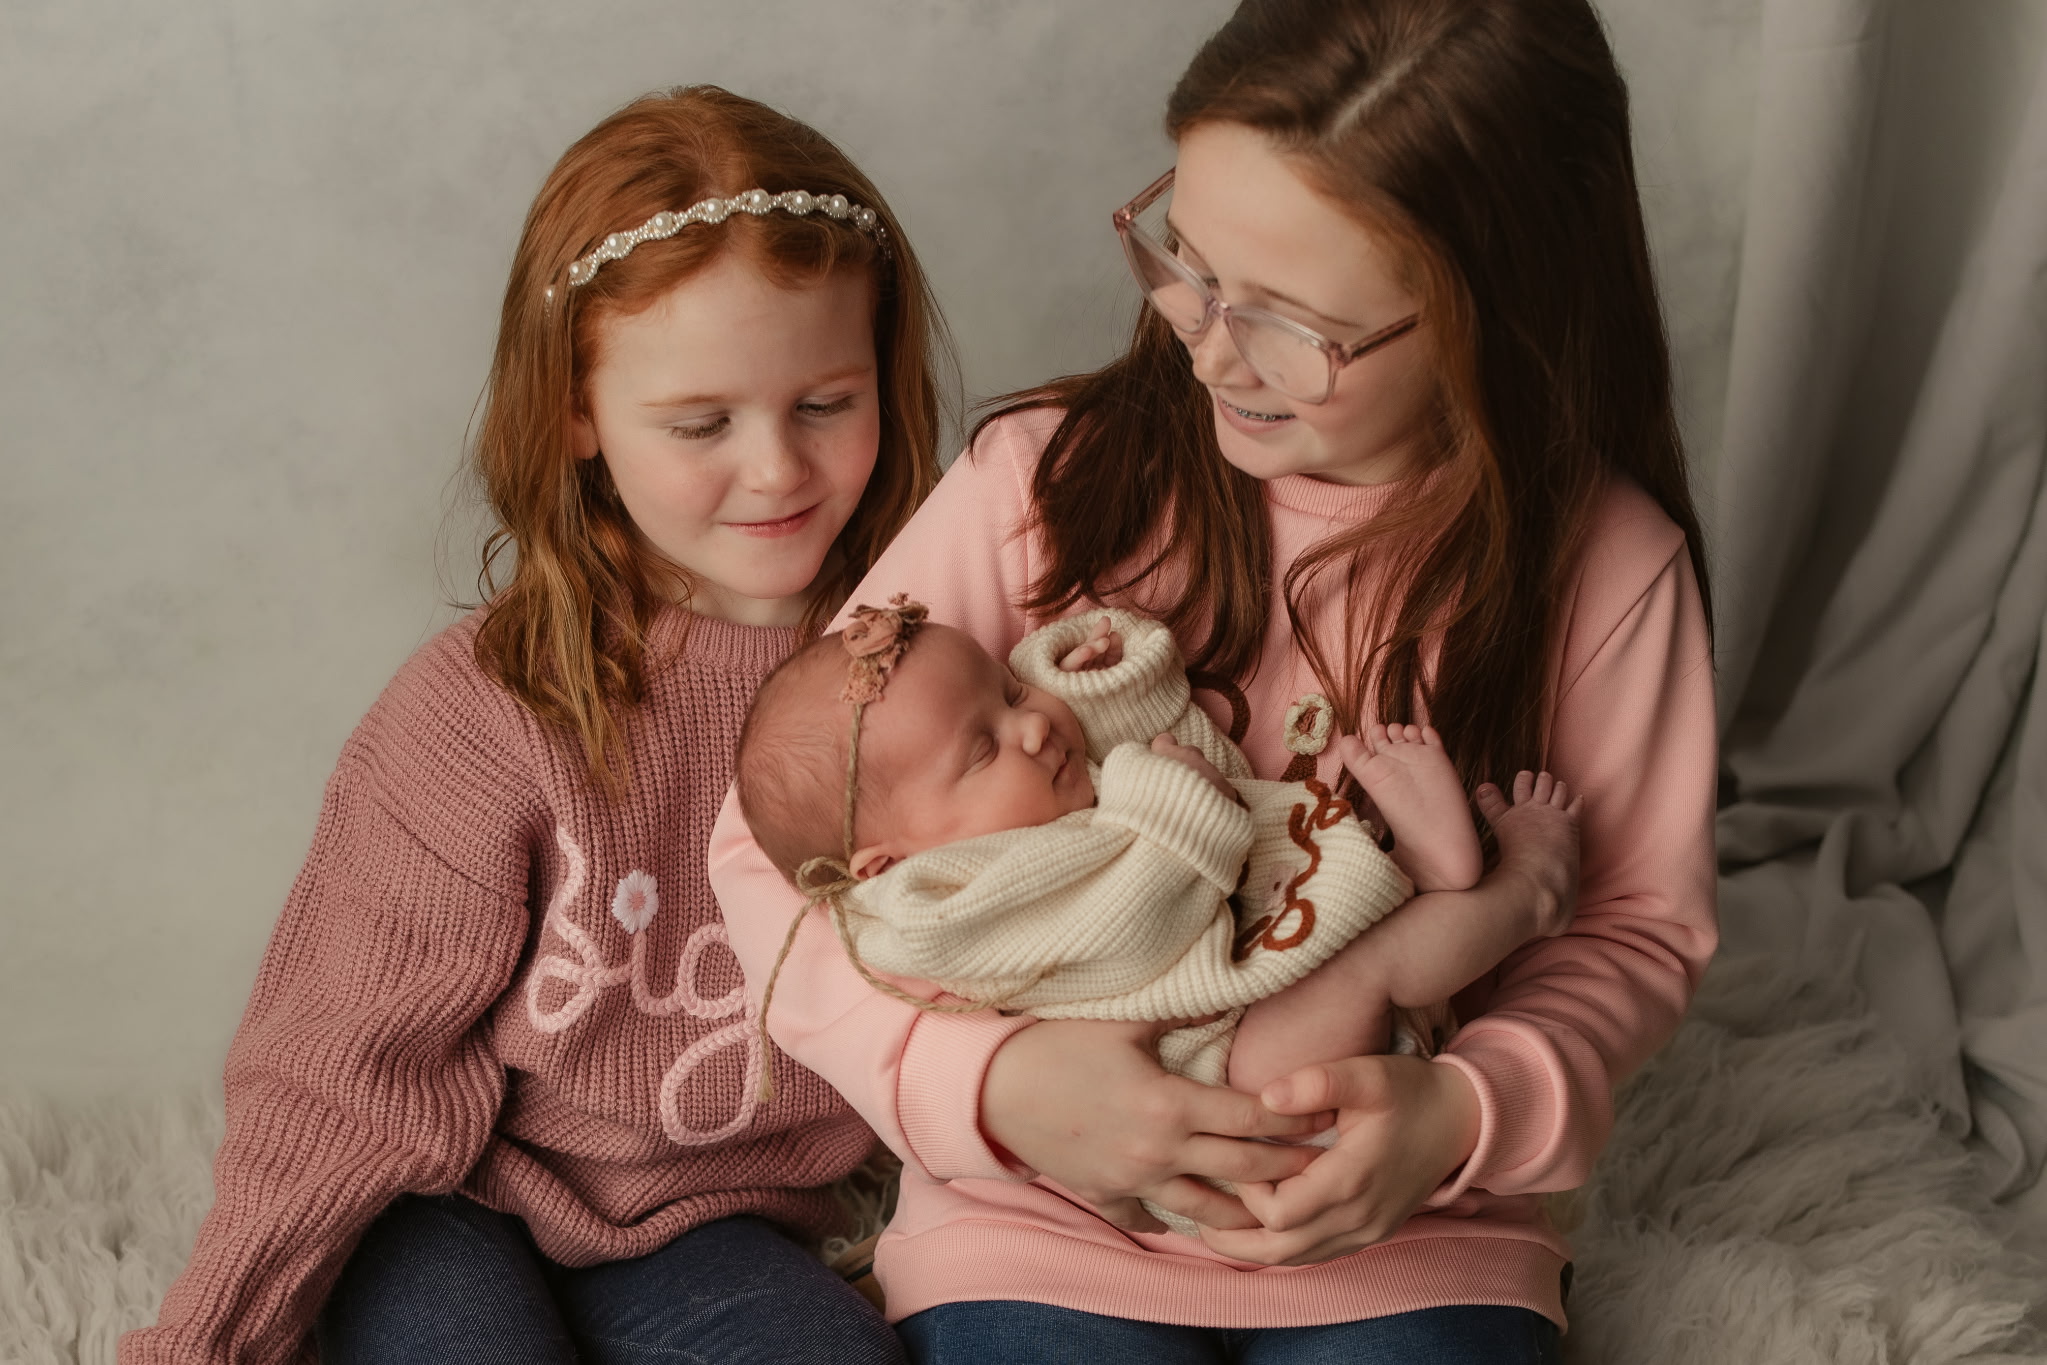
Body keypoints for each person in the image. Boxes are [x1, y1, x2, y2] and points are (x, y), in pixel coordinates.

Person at [706, 0, 1717, 1360]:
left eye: (1293, 323)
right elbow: (782, 850)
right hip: (1040, 1221)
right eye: (1185, 256)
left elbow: (1631, 928)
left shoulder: (1607, 569)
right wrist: (988, 1081)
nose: (1210, 345)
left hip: (1405, 1240)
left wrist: (1462, 1111)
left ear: (1495, 309)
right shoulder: (1044, 483)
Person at [120, 86, 952, 1365]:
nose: (777, 468)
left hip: (711, 1218)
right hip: (445, 1199)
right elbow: (339, 1068)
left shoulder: (929, 666)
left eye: (825, 404)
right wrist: (210, 1342)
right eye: (702, 423)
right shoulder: (481, 713)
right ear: (576, 411)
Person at [733, 605, 1581, 1184]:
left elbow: (1160, 751)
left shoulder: (1001, 822)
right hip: (1226, 1088)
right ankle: (1522, 895)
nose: (1033, 724)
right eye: (983, 748)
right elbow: (1141, 925)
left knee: (1361, 951)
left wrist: (1103, 690)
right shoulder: (949, 912)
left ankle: (1421, 873)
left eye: (1011, 688)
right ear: (885, 865)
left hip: (1252, 979)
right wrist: (1177, 802)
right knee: (1361, 970)